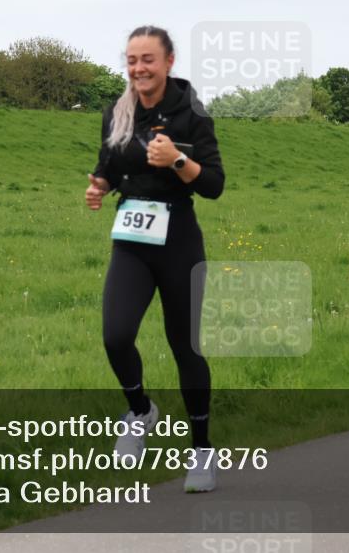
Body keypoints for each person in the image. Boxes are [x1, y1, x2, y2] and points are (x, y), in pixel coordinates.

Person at [85, 25, 224, 493]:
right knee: (116, 334)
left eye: (148, 59)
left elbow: (214, 185)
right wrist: (99, 187)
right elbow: (107, 166)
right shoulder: (116, 113)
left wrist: (179, 163)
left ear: (168, 62)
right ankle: (140, 410)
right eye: (131, 60)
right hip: (131, 237)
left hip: (179, 238)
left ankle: (202, 450)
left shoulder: (191, 115)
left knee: (185, 346)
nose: (138, 68)